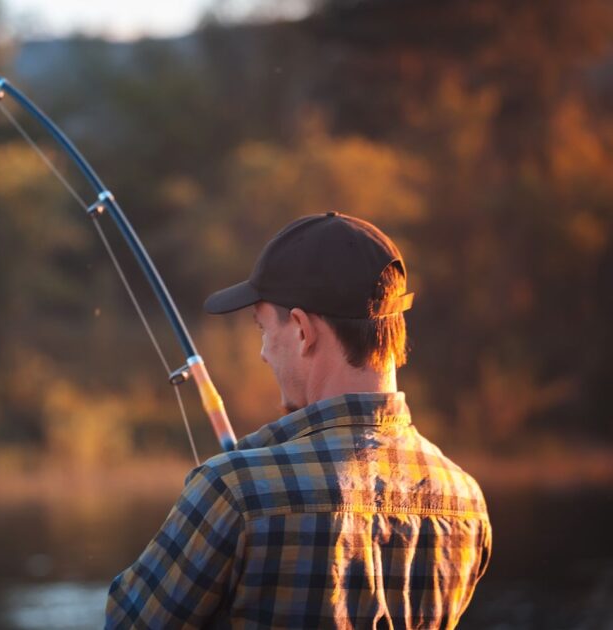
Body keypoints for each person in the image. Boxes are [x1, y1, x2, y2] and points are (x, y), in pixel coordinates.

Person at [105, 212, 492, 628]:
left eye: (262, 328)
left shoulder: (233, 491)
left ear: (303, 331)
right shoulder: (465, 502)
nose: (264, 353)